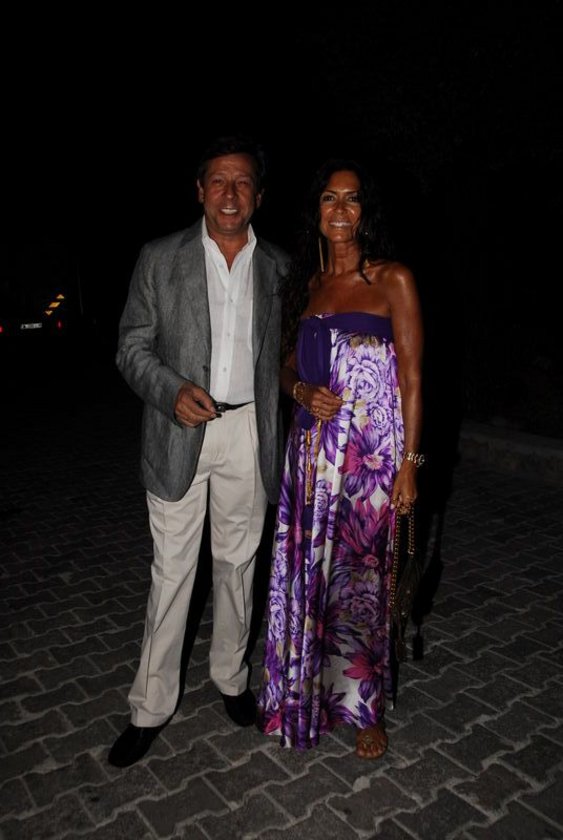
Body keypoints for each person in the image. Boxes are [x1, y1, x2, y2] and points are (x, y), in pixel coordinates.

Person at [108, 135, 289, 768]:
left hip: (250, 432)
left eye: (243, 182)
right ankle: (149, 708)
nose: (230, 193)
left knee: (238, 566)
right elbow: (131, 346)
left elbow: (292, 356)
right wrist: (169, 391)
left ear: (258, 195)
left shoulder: (281, 268)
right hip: (179, 430)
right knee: (172, 573)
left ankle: (231, 679)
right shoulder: (160, 257)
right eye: (219, 181)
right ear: (200, 191)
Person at [256, 158, 424, 759]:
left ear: (365, 211)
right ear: (316, 211)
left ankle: (366, 709)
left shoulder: (392, 279)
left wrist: (410, 464)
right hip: (310, 460)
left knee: (362, 583)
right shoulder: (306, 287)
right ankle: (307, 693)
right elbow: (283, 368)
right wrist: (301, 391)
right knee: (313, 578)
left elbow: (413, 379)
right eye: (330, 198)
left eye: (352, 199)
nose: (341, 210)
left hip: (369, 464)